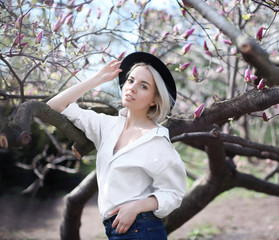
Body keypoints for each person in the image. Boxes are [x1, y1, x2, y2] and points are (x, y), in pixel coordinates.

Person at [47, 52, 187, 240]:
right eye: (130, 80)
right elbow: (54, 105)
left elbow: (174, 193)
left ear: (154, 99)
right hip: (116, 229)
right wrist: (97, 79)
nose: (132, 88)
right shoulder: (106, 126)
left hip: (141, 227)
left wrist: (136, 206)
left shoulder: (157, 141)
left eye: (143, 86)